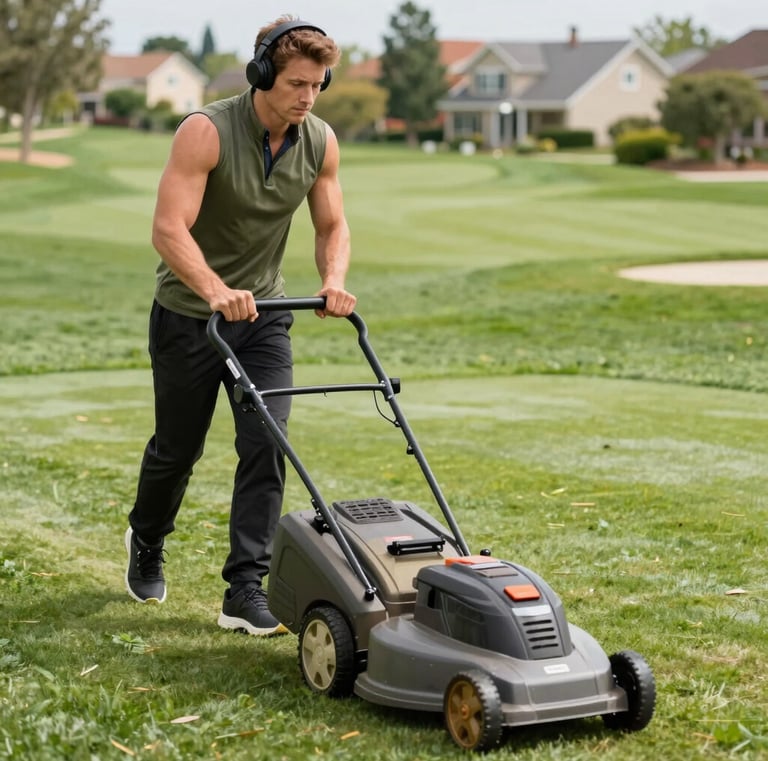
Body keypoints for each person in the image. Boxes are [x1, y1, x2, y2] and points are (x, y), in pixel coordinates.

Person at [125, 16, 356, 636]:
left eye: (318, 85)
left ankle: (244, 589)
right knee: (177, 450)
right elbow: (168, 229)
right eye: (296, 84)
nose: (307, 97)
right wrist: (216, 290)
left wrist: (333, 280)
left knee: (267, 442)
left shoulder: (319, 141)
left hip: (265, 319)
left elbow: (332, 225)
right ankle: (147, 538)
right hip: (188, 317)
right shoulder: (205, 132)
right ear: (261, 75)